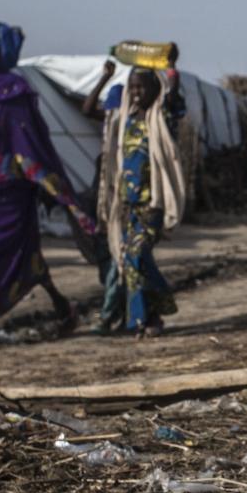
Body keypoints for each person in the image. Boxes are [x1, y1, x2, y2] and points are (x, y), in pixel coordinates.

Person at [0, 24, 92, 348]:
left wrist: (41, 178)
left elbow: (31, 137)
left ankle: (61, 307)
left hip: (10, 190)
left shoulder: (16, 90)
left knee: (25, 255)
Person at [83, 62, 189, 337]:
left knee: (136, 254)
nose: (137, 92)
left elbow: (174, 102)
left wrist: (172, 75)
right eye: (133, 87)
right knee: (130, 262)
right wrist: (105, 78)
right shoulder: (125, 119)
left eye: (143, 86)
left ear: (155, 89)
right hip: (127, 204)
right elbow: (90, 111)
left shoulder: (159, 118)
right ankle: (150, 317)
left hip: (151, 203)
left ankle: (149, 312)